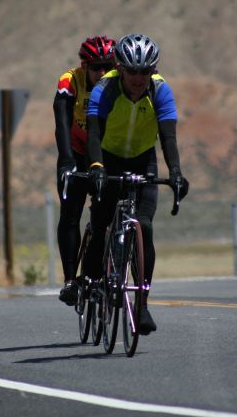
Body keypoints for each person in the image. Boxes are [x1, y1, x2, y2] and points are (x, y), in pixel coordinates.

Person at [84, 33, 189, 334]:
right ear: (120, 68)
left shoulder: (160, 91)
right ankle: (94, 280)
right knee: (101, 220)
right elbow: (93, 133)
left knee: (145, 226)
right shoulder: (104, 89)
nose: (138, 78)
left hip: (144, 159)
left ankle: (141, 305)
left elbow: (168, 138)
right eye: (132, 71)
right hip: (109, 157)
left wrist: (177, 172)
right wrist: (96, 167)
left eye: (145, 71)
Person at [53, 35, 116, 305]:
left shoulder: (119, 82)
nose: (101, 72)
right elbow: (62, 122)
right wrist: (66, 160)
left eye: (106, 66)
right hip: (77, 153)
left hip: (108, 153)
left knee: (110, 212)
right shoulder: (71, 81)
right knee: (70, 213)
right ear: (84, 66)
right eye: (94, 67)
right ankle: (70, 280)